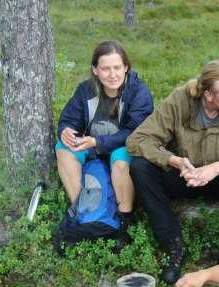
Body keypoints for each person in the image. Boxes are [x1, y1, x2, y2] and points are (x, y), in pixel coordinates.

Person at [128, 60, 219, 284]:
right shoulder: (179, 101)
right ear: (208, 95)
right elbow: (137, 140)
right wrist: (174, 161)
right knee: (139, 167)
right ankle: (174, 246)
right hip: (185, 175)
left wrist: (218, 168)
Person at [55, 40, 153, 245]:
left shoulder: (139, 92)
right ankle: (82, 213)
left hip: (123, 145)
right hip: (92, 146)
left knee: (119, 159)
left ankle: (124, 221)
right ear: (95, 70)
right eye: (105, 69)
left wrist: (96, 141)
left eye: (117, 67)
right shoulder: (85, 90)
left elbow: (135, 132)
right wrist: (65, 131)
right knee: (63, 148)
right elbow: (69, 119)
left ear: (126, 67)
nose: (112, 74)